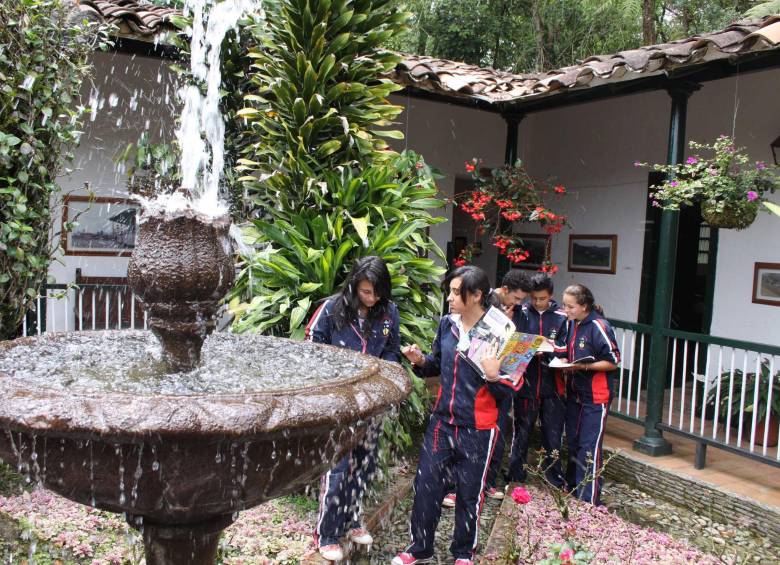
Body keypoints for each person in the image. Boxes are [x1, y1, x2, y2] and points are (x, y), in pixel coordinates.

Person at [393, 265, 522, 565]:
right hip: (442, 422)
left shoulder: (504, 333)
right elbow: (435, 366)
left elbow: (512, 388)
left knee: (469, 494)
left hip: (479, 427)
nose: (449, 298)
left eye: (455, 292)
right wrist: (419, 361)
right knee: (426, 486)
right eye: (449, 291)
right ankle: (419, 549)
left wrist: (494, 376)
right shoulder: (446, 325)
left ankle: (464, 554)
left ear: (477, 295)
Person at [305, 256, 401, 561]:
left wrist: (385, 380)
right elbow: (312, 346)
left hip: (371, 404)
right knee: (338, 467)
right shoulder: (332, 309)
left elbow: (391, 352)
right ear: (354, 286)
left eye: (376, 293)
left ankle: (352, 520)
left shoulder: (388, 314)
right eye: (365, 292)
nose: (371, 299)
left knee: (364, 464)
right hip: (339, 404)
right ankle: (328, 533)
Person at [556, 283, 620, 506]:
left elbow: (613, 362)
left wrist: (583, 367)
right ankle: (573, 486)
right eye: (564, 305)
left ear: (584, 306)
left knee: (589, 446)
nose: (565, 310)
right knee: (573, 441)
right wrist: (564, 361)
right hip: (575, 393)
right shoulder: (573, 323)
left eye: (570, 306)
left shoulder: (599, 326)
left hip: (596, 395)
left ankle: (588, 499)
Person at [506, 273, 568, 487]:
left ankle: (554, 477)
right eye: (534, 298)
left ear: (550, 295)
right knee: (521, 430)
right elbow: (512, 342)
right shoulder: (521, 313)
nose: (538, 302)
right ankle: (515, 474)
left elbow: (566, 346)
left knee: (553, 434)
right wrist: (529, 347)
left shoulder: (562, 317)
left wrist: (549, 348)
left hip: (553, 385)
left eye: (542, 298)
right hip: (526, 383)